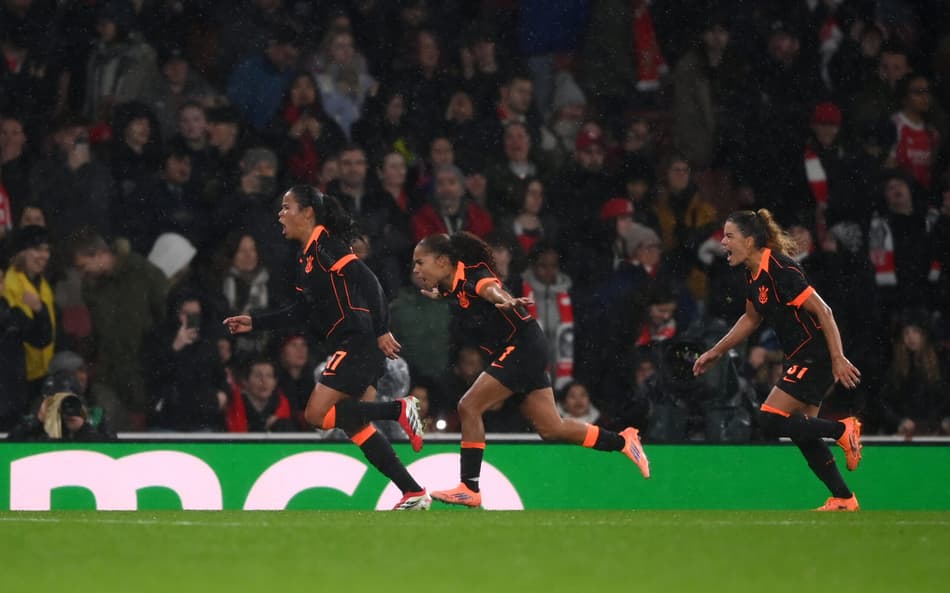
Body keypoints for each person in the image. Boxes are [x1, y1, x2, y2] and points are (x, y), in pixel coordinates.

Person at [223, 185, 429, 510]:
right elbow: (301, 311)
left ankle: (399, 410)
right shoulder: (306, 255)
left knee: (316, 415)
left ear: (307, 214)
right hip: (352, 342)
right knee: (354, 424)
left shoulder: (324, 246)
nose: (280, 213)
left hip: (358, 340)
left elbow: (369, 281)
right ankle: (413, 491)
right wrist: (256, 321)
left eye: (287, 207)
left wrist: (380, 330)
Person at [411, 231, 649, 508]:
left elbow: (489, 289)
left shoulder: (474, 277)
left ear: (441, 261)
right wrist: (441, 293)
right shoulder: (454, 283)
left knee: (469, 406)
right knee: (551, 428)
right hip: (527, 348)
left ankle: (469, 487)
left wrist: (503, 298)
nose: (416, 269)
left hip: (522, 348)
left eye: (420, 262)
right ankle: (622, 441)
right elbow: (462, 294)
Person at [692, 209, 864, 511]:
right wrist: (715, 351)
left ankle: (843, 430)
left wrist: (837, 357)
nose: (722, 243)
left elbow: (824, 312)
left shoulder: (781, 270)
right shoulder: (752, 274)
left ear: (749, 240)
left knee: (769, 419)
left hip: (816, 353)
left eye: (729, 236)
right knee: (803, 433)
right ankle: (844, 498)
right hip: (799, 354)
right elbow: (749, 319)